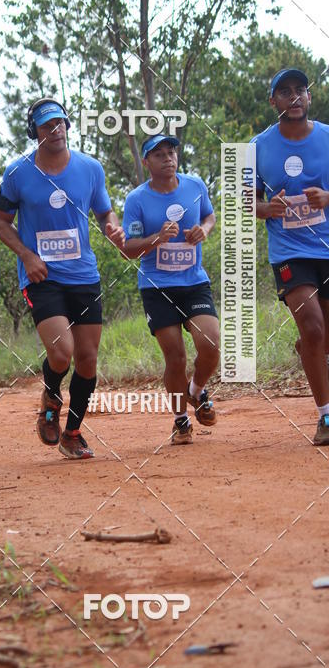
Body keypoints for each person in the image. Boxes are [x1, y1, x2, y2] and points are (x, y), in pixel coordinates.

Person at [0, 97, 125, 459]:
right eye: (47, 125)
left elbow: (104, 211)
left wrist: (113, 227)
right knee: (61, 352)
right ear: (34, 132)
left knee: (87, 360)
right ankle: (51, 395)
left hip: (83, 274)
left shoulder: (90, 168)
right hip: (42, 276)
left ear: (68, 125)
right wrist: (26, 254)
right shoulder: (17, 173)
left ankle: (73, 433)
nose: (56, 130)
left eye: (60, 123)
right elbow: (0, 222)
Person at [110, 134, 219, 445]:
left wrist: (204, 230)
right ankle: (181, 421)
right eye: (158, 154)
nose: (168, 158)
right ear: (146, 162)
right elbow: (128, 249)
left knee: (210, 345)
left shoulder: (195, 186)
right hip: (157, 287)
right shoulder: (137, 200)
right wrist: (156, 238)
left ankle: (196, 392)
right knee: (175, 357)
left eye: (171, 152)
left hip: (194, 282)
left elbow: (209, 216)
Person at [252, 68, 329, 446]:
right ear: (274, 102)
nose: (294, 97)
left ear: (309, 98)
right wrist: (269, 208)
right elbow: (245, 201)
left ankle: (309, 350)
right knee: (313, 326)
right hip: (289, 250)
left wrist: (327, 199)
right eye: (285, 92)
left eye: (301, 90)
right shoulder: (257, 147)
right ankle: (325, 416)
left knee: (323, 336)